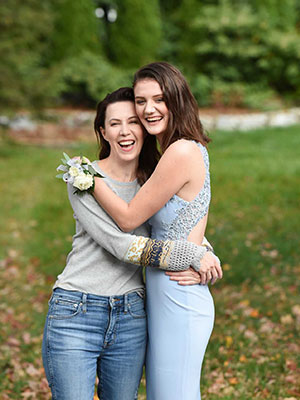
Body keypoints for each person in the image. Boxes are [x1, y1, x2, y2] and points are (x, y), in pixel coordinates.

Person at [42, 87, 221, 400]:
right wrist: (192, 254)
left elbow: (172, 222)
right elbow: (122, 245)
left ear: (144, 127)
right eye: (114, 124)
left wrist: (205, 252)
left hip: (131, 316)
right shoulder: (84, 177)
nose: (124, 131)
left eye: (132, 122)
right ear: (103, 131)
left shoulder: (153, 178)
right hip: (76, 311)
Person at [92, 62, 219, 399]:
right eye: (140, 100)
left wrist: (86, 178)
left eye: (158, 99)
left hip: (180, 296)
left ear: (176, 100)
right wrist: (204, 251)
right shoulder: (180, 149)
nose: (148, 109)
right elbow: (188, 218)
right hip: (165, 292)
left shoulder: (181, 151)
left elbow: (130, 218)